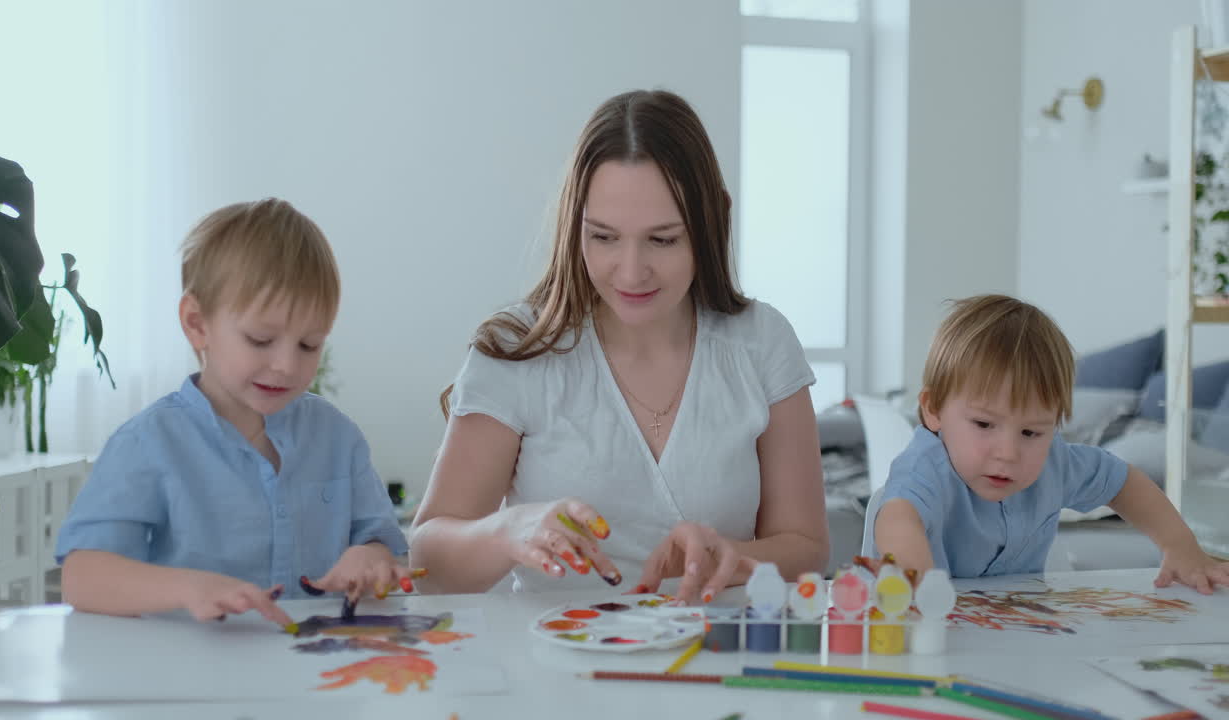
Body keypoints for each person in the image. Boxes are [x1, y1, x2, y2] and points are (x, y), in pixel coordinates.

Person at [409, 89, 830, 604]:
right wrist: (508, 530)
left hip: (718, 660)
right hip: (551, 672)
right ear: (574, 224)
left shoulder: (762, 342)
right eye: (604, 237)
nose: (631, 273)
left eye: (663, 239)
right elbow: (427, 560)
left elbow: (807, 548)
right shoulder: (517, 350)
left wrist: (732, 555)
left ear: (712, 222)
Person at [57, 198, 411, 624]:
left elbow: (387, 548)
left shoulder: (338, 437)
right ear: (197, 323)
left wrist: (371, 557)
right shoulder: (148, 443)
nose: (286, 365)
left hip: (312, 675)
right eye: (261, 340)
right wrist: (189, 587)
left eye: (309, 345)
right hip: (191, 677)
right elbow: (83, 577)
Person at [863, 294, 1229, 594]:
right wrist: (914, 578)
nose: (1008, 452)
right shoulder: (926, 466)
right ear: (933, 411)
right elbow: (899, 518)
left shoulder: (1056, 462)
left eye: (1031, 432)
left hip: (1019, 632)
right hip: (930, 635)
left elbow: (1123, 482)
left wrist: (1180, 546)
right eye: (984, 424)